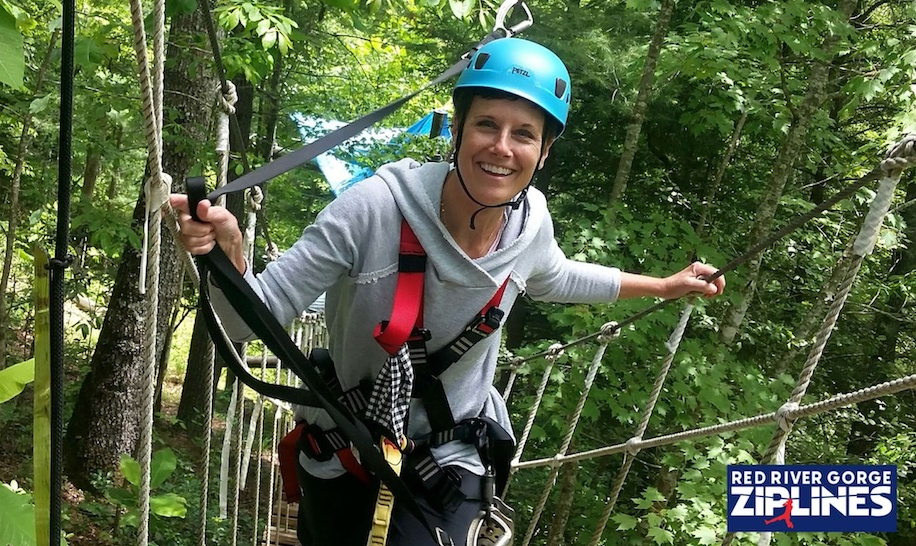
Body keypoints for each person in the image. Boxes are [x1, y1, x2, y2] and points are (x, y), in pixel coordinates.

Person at [170, 37, 725, 546]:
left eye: (524, 134)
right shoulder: (370, 210)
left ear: (544, 152)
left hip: (450, 451)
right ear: (455, 129)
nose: (502, 147)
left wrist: (664, 286)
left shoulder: (531, 226)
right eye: (486, 125)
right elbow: (247, 322)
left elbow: (559, 276)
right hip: (347, 443)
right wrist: (229, 259)